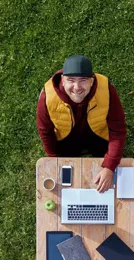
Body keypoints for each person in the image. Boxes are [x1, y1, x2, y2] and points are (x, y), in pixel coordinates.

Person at [37, 55, 127, 193]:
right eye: (71, 80)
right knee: (68, 175)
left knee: (108, 168)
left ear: (92, 81)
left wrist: (109, 167)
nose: (77, 87)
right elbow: (45, 131)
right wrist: (54, 159)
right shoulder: (47, 97)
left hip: (98, 135)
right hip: (66, 138)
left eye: (83, 80)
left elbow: (118, 130)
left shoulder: (108, 90)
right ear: (63, 80)